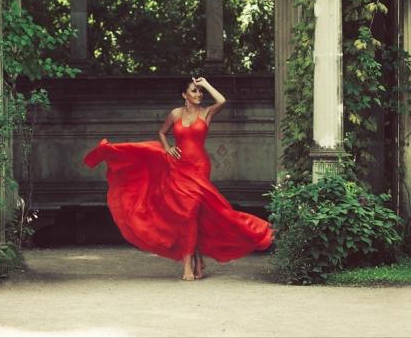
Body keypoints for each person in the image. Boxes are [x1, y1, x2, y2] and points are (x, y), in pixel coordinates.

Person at [83, 77, 273, 281]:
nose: (199, 94)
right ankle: (194, 263)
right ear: (184, 95)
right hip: (178, 167)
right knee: (188, 214)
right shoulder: (175, 114)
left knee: (193, 212)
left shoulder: (206, 113)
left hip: (199, 168)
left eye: (200, 92)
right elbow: (162, 133)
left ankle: (192, 265)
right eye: (194, 91)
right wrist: (167, 149)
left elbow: (222, 101)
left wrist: (206, 84)